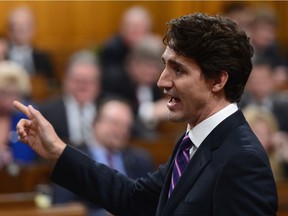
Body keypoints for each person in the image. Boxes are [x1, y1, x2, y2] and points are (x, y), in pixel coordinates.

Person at [14, 13, 278, 215]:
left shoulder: (243, 160)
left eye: (179, 70)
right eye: (165, 66)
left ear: (218, 80)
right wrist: (58, 151)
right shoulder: (193, 143)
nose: (162, 81)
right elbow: (133, 198)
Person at [53, 96, 155, 216]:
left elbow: (151, 204)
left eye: (126, 125)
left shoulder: (140, 161)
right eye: (115, 123)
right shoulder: (73, 159)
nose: (121, 131)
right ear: (95, 123)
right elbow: (62, 207)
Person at [102, 35, 167, 139]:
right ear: (132, 64)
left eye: (156, 67)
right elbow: (119, 118)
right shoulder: (115, 81)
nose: (152, 72)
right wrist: (149, 111)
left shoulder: (156, 86)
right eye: (147, 66)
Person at [38, 49, 101, 147]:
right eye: (78, 80)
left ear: (97, 85)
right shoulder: (47, 113)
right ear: (66, 81)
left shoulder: (106, 110)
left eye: (89, 81)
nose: (83, 86)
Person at [99, 6, 153, 92]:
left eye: (139, 27)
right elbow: (109, 79)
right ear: (122, 28)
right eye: (131, 26)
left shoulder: (152, 49)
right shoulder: (112, 48)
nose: (135, 30)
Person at [0, 61, 37, 168]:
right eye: (3, 93)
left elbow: (26, 156)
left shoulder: (27, 116)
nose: (8, 99)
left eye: (14, 94)